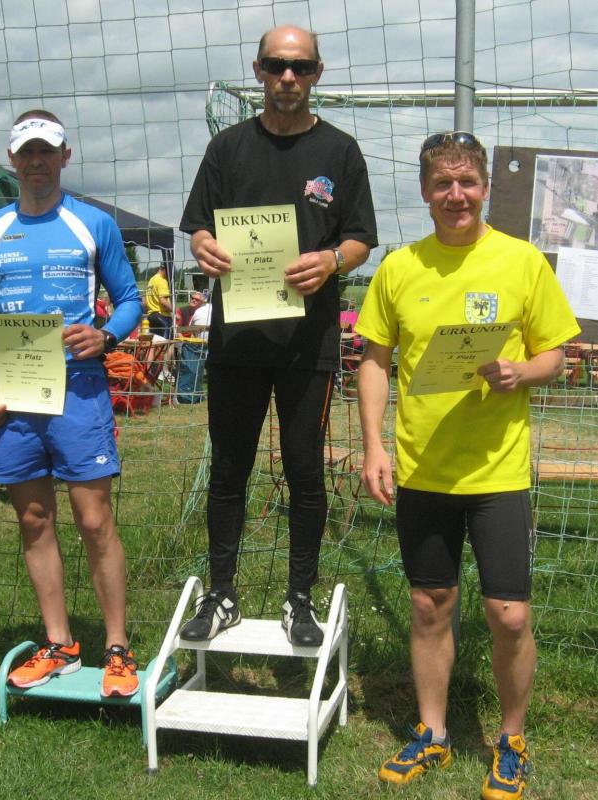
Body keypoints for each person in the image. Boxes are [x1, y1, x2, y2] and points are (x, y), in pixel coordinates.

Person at [355, 131, 580, 799]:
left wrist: (520, 371)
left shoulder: (520, 261)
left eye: (467, 182)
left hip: (497, 474)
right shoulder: (399, 267)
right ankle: (432, 733)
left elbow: (556, 354)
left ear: (484, 187)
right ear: (425, 192)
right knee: (430, 605)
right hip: (423, 470)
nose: (455, 195)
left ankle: (511, 740)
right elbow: (373, 360)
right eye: (442, 184)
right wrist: (374, 446)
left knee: (508, 615)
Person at [178, 25, 377, 646]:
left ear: (317, 73)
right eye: (276, 65)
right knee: (229, 470)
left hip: (306, 345)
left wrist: (333, 261)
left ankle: (300, 600)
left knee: (305, 471)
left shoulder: (340, 151)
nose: (288, 77)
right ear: (259, 70)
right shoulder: (227, 147)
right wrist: (204, 246)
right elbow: (199, 226)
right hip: (237, 342)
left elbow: (361, 237)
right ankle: (221, 593)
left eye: (300, 67)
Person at [0, 110, 144, 698]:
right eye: (27, 152)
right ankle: (59, 643)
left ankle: (118, 648)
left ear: (65, 156)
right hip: (12, 394)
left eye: (47, 150)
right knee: (34, 519)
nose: (37, 161)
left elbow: (130, 299)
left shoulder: (93, 224)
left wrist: (106, 336)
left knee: (94, 519)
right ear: (12, 160)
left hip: (79, 390)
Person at [145, 263, 173, 339]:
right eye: (170, 271)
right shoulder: (162, 280)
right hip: (162, 316)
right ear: (164, 269)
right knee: (166, 343)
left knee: (154, 343)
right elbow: (163, 301)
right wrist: (173, 310)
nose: (170, 274)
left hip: (151, 316)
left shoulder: (151, 280)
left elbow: (146, 301)